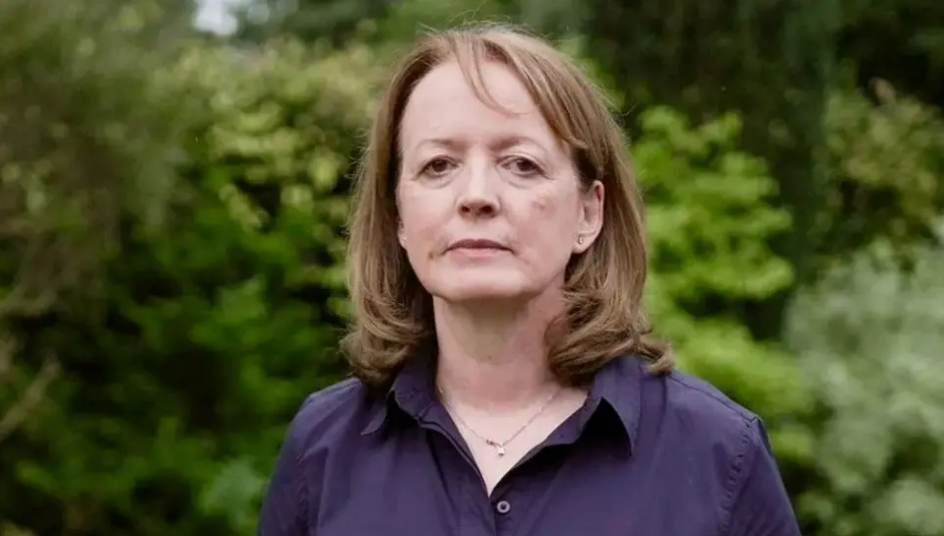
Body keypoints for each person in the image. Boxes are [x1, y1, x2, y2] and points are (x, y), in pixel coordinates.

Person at [257, 23, 802, 536]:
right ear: (398, 216)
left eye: (520, 164)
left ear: (589, 214)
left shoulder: (718, 454)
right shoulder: (324, 449)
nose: (475, 196)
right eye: (438, 166)